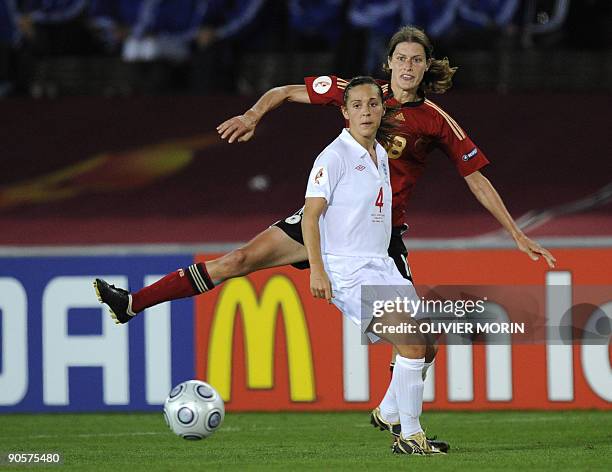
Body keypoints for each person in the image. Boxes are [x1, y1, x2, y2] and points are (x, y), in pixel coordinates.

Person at [94, 24, 553, 446]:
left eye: (417, 60)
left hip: (379, 240)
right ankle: (133, 303)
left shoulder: (434, 120)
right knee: (235, 261)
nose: (408, 67)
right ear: (388, 63)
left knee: (421, 342)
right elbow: (285, 90)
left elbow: (475, 176)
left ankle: (390, 412)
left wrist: (514, 231)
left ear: (426, 67)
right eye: (402, 58)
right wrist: (254, 114)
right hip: (322, 220)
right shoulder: (358, 94)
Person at [302, 75, 443, 455]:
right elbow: (310, 217)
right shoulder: (333, 157)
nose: (366, 111)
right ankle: (411, 436)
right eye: (358, 105)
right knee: (412, 344)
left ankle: (387, 412)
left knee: (428, 346)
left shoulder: (380, 153)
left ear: (383, 109)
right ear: (344, 113)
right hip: (349, 272)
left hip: (382, 266)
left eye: (373, 104)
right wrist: (317, 269)